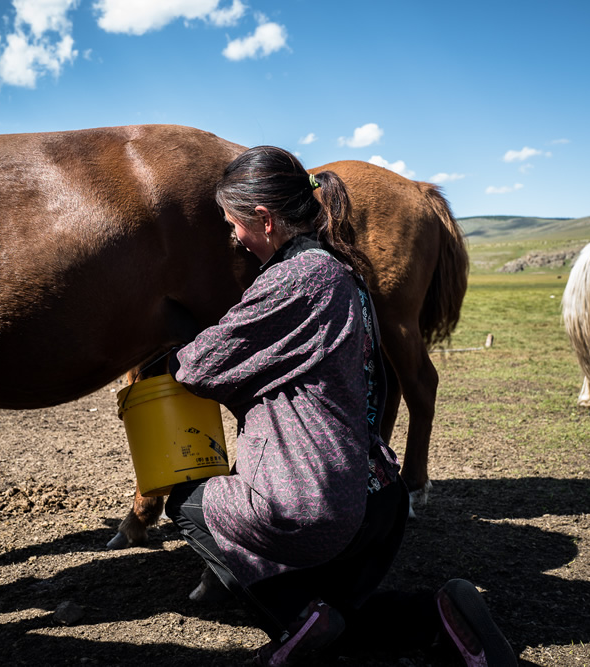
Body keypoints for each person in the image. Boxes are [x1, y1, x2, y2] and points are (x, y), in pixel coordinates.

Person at [164, 146, 516, 666]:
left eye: (234, 224)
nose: (232, 236)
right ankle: (436, 615)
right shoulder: (342, 269)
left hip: (317, 505)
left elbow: (198, 368)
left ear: (263, 219)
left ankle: (291, 617)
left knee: (188, 504)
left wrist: (169, 346)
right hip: (377, 498)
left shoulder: (293, 280)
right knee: (337, 620)